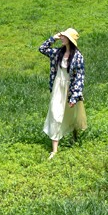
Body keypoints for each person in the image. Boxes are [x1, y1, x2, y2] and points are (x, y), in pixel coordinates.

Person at [39, 26, 87, 156]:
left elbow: (79, 78)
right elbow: (42, 49)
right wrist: (53, 38)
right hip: (57, 88)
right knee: (55, 114)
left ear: (70, 40)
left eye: (64, 37)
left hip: (70, 90)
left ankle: (74, 135)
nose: (62, 38)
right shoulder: (58, 53)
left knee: (71, 115)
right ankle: (54, 150)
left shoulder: (78, 57)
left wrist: (74, 96)